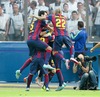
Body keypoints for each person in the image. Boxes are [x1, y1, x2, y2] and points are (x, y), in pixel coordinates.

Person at [32, 8, 78, 91]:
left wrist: (35, 16)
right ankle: (58, 83)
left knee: (53, 67)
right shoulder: (63, 18)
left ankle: (48, 83)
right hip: (63, 39)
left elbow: (49, 36)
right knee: (56, 68)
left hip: (54, 50)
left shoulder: (52, 19)